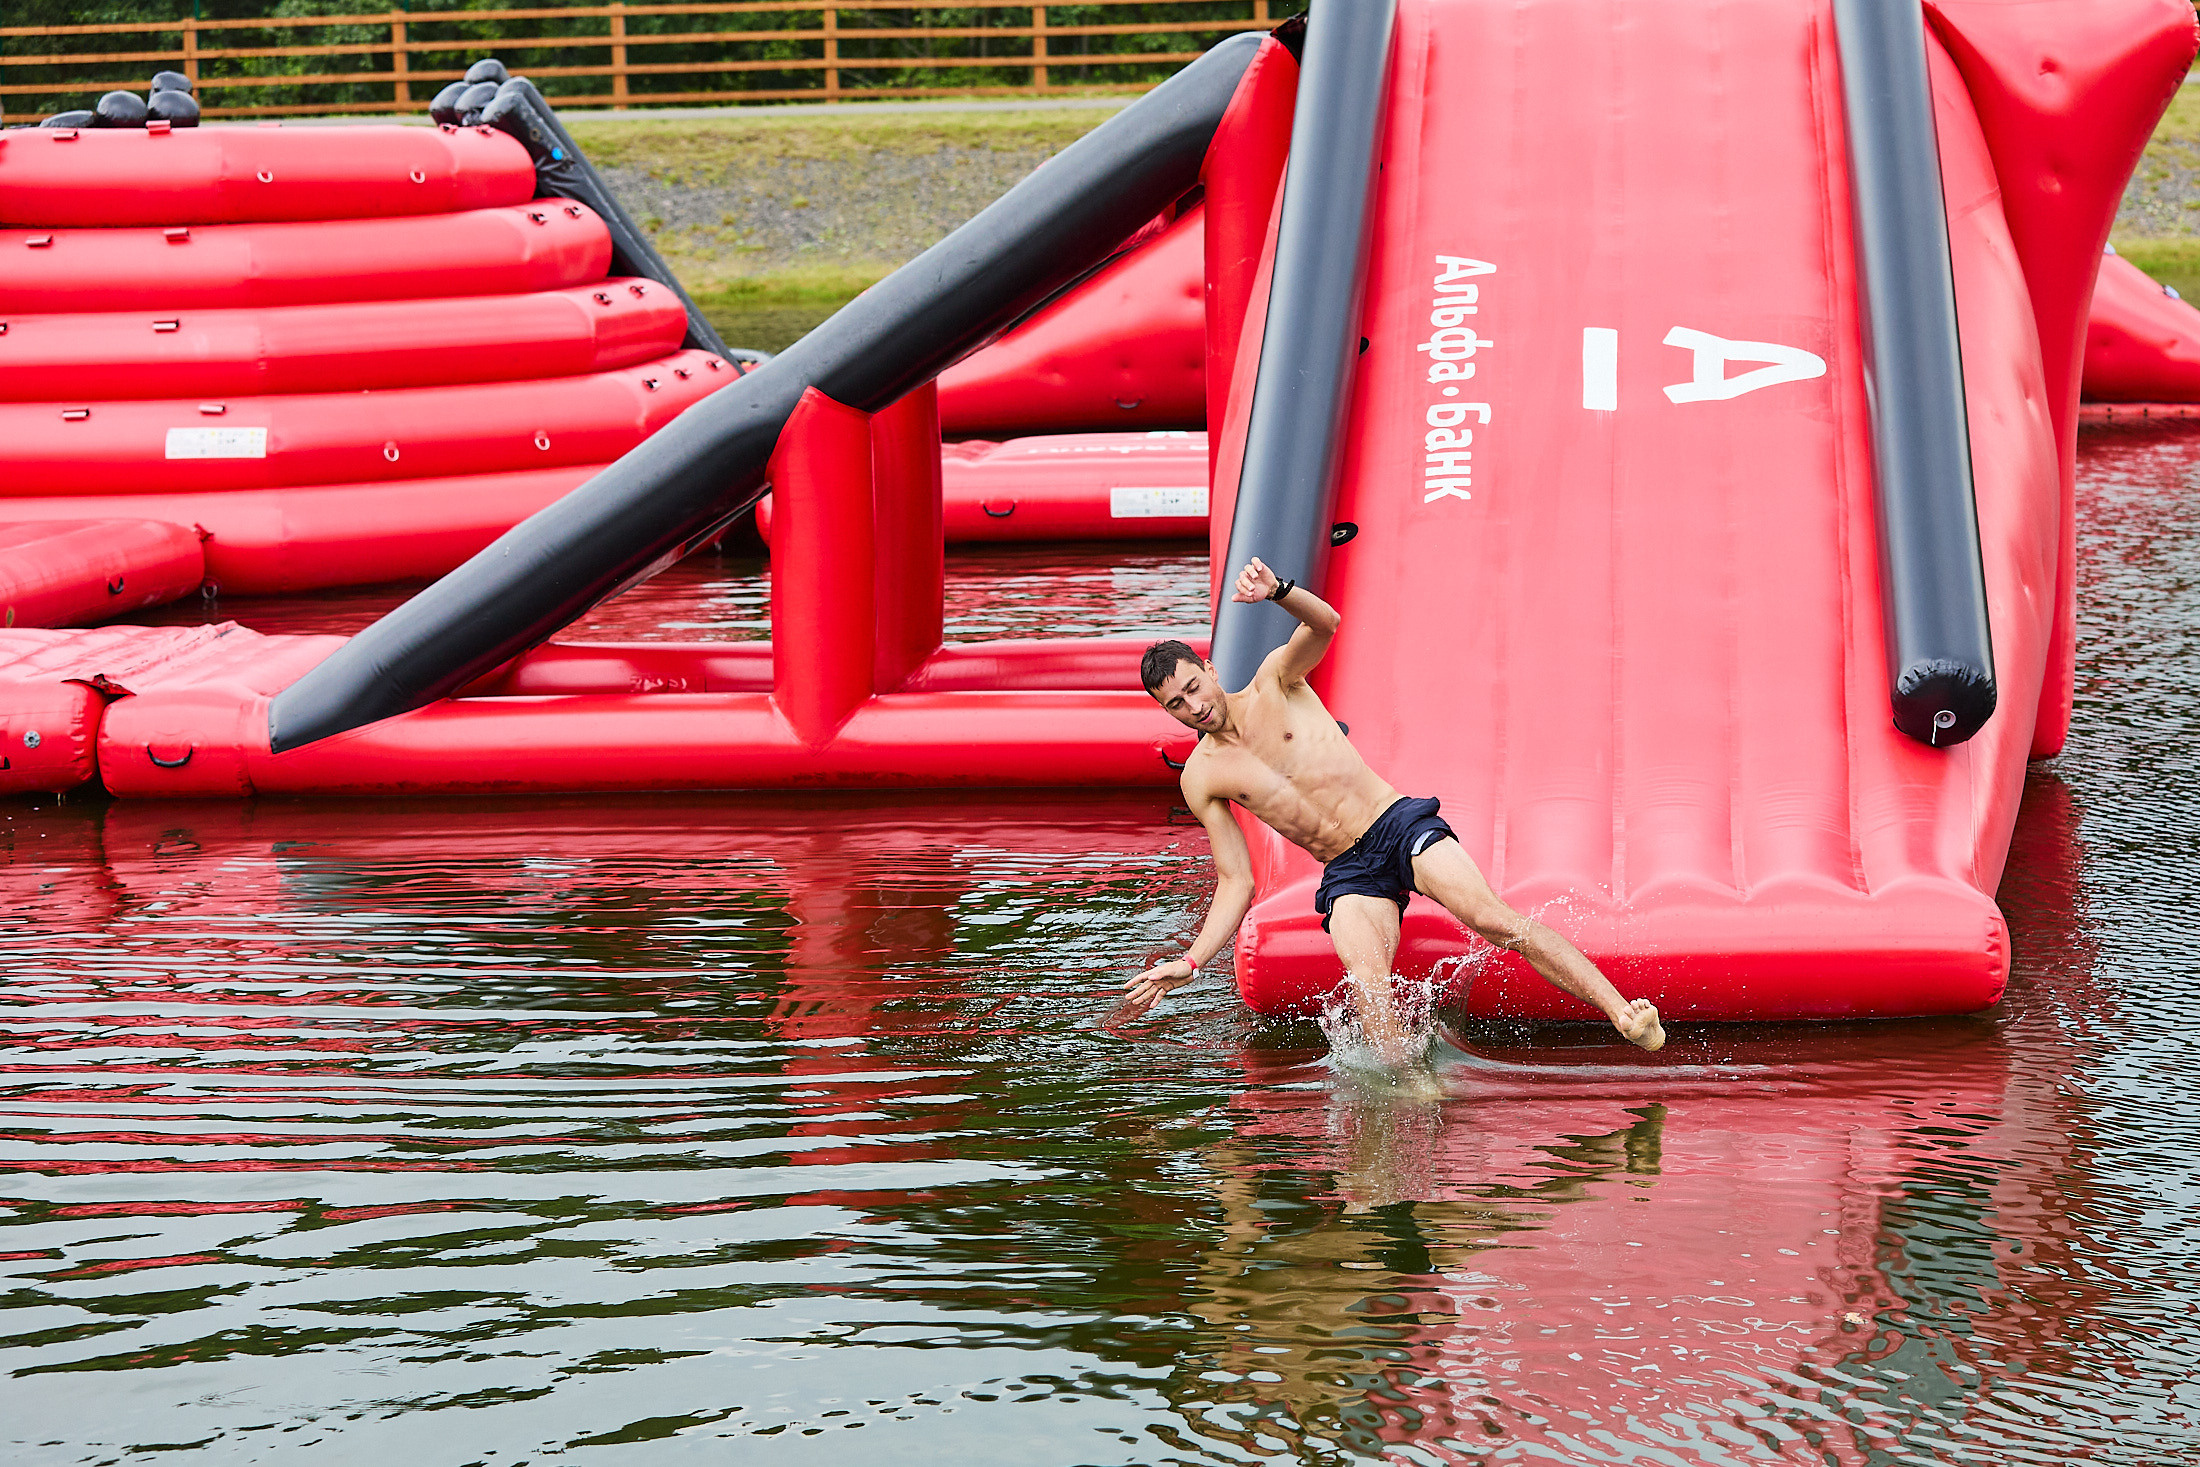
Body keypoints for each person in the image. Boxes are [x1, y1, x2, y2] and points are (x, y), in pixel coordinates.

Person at [1123, 556, 1665, 1061]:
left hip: (1395, 825)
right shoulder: (1202, 778)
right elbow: (1235, 879)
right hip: (1348, 869)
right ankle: (1412, 1101)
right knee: (1369, 988)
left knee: (1491, 918)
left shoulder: (1274, 683)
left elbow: (1326, 624)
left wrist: (1280, 592)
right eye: (1177, 704)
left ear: (1211, 670)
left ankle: (1623, 1013)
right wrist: (1192, 961)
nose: (1195, 707)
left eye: (1195, 688)